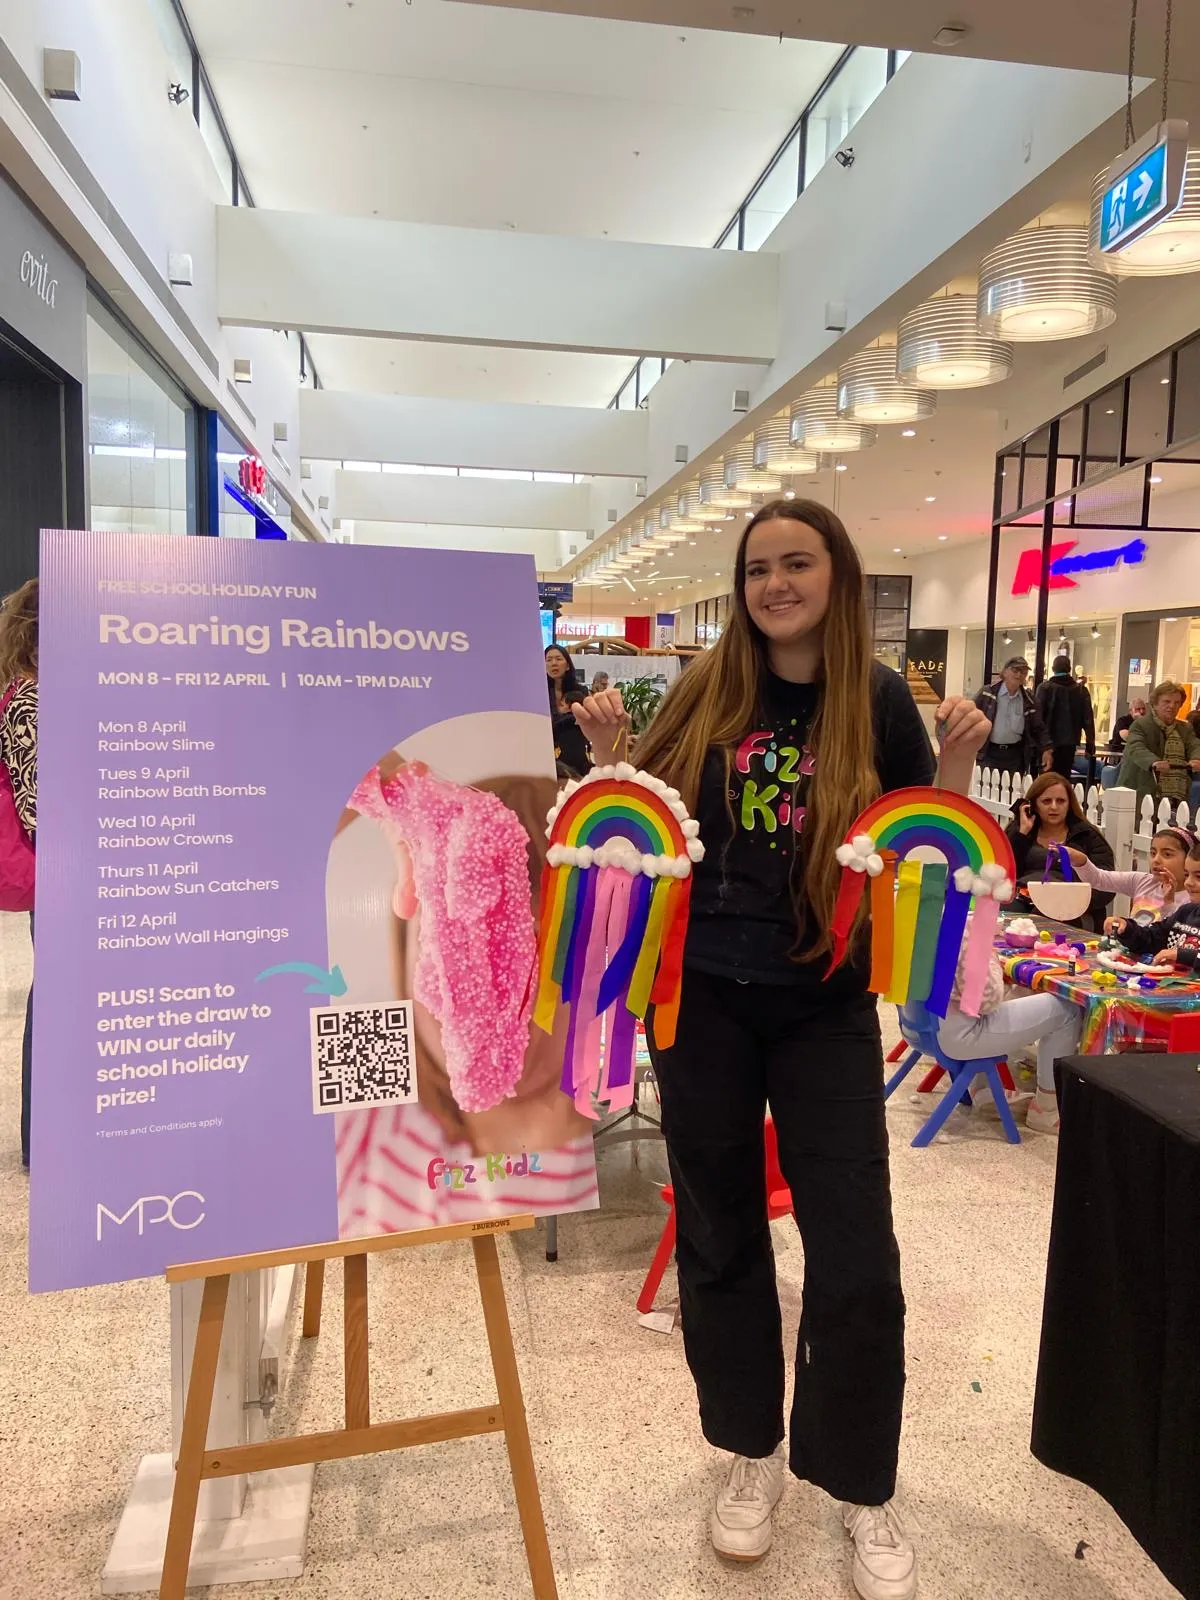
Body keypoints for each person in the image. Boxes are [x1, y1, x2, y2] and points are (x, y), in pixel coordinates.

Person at [571, 498, 991, 1600]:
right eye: (758, 567)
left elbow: (921, 855)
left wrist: (951, 776)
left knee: (855, 1248)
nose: (774, 584)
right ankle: (749, 1455)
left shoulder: (878, 700)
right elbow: (645, 807)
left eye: (795, 563)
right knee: (718, 1232)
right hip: (702, 999)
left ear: (835, 575)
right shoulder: (711, 688)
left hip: (825, 1004)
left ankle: (860, 1488)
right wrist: (609, 755)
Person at [936, 934, 1080, 1137]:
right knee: (1068, 1009)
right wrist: (992, 960)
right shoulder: (961, 928)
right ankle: (1046, 1110)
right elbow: (988, 1000)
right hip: (964, 1034)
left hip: (929, 1028)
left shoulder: (920, 915)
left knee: (1020, 995)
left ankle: (984, 1089)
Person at [0, 579, 37, 1171]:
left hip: (58, 867)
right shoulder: (28, 698)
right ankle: (43, 1136)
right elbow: (39, 803)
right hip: (56, 869)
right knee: (57, 992)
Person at [1007, 772, 1114, 929]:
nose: (1054, 807)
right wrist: (1022, 834)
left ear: (1069, 804)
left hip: (1074, 909)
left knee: (1047, 918)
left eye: (1061, 801)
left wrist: (1076, 902)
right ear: (1033, 805)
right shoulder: (1019, 832)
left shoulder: (1087, 835)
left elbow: (1107, 883)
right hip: (1023, 900)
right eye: (1046, 801)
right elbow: (1003, 871)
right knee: (1007, 916)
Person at [1106, 839, 1200, 969]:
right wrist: (1127, 928)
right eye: (1187, 874)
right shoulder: (1186, 913)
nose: (1189, 882)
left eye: (1198, 877)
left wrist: (1183, 956)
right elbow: (1152, 939)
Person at [1070, 825, 1194, 921]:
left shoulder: (1192, 898)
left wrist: (1169, 903)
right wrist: (1080, 860)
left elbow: (1176, 935)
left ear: (1188, 859)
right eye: (1153, 853)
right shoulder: (1142, 881)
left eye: (1167, 854)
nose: (1156, 860)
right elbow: (1098, 879)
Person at [1116, 680, 1200, 812]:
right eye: (1167, 701)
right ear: (1155, 704)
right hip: (1142, 791)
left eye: (1177, 702)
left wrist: (1196, 758)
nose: (1172, 706)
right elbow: (1135, 747)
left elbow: (1195, 745)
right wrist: (1153, 761)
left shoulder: (1185, 728)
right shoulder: (1140, 725)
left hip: (1177, 794)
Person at [974, 657, 1050, 781]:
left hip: (1015, 756)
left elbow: (1038, 727)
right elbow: (972, 715)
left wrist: (1047, 749)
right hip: (989, 753)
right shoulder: (987, 693)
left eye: (1023, 672)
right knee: (986, 790)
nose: (1019, 674)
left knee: (1011, 793)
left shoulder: (1030, 700)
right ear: (1004, 672)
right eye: (1015, 670)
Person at [1034, 654, 1095, 779]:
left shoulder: (1044, 688)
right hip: (1069, 744)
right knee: (1064, 778)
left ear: (1053, 668)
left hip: (1047, 743)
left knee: (1045, 780)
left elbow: (1037, 718)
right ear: (1069, 668)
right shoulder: (1080, 691)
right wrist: (1090, 744)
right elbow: (1088, 719)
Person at [544, 645, 590, 778]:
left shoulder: (581, 691)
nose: (553, 663)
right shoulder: (540, 693)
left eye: (558, 659)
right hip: (548, 758)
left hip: (576, 755)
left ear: (568, 665)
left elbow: (586, 720)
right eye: (548, 660)